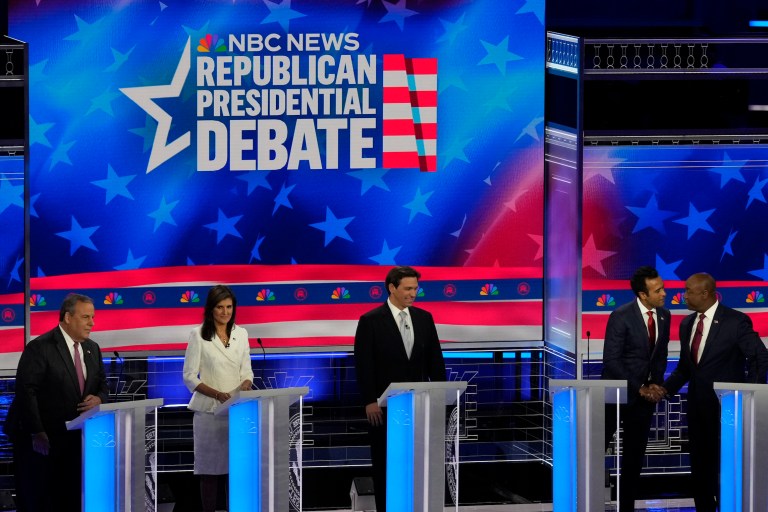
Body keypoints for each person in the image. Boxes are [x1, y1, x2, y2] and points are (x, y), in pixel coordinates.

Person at [658, 273, 768, 512]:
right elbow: (686, 369)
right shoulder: (687, 324)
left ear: (705, 293)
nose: (683, 295)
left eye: (688, 291)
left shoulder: (735, 321)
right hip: (697, 409)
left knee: (727, 465)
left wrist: (750, 397)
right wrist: (663, 390)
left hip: (727, 411)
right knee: (700, 466)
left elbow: (759, 357)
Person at [354, 266, 447, 512]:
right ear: (392, 288)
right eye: (408, 288)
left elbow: (435, 362)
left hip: (418, 406)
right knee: (387, 463)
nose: (413, 293)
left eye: (415, 288)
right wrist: (369, 400)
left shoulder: (424, 318)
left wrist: (439, 398)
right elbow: (364, 365)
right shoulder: (370, 321)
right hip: (383, 408)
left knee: (416, 461)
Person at [5, 293, 109, 511]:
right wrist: (37, 432)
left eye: (93, 317)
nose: (92, 323)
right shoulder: (41, 347)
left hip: (74, 439)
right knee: (39, 500)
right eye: (86, 317)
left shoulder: (92, 349)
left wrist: (99, 398)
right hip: (41, 440)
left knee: (68, 497)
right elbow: (26, 391)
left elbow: (102, 385)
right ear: (68, 318)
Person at [601, 266, 671, 511]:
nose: (664, 293)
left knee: (633, 458)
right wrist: (640, 387)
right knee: (597, 449)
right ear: (643, 294)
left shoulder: (665, 315)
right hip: (616, 397)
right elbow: (611, 359)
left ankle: (626, 506)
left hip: (644, 401)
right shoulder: (620, 316)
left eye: (662, 287)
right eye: (658, 290)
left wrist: (656, 383)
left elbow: (660, 356)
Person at [183, 285, 254, 512]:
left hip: (237, 411)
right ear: (211, 309)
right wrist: (217, 394)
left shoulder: (241, 334)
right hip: (209, 412)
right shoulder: (198, 335)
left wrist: (245, 385)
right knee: (210, 471)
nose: (225, 312)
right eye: (220, 307)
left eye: (229, 307)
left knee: (237, 470)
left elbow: (247, 371)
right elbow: (189, 377)